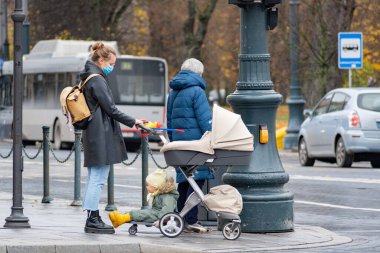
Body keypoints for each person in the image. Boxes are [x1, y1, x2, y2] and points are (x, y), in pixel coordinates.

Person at [81, 41, 144, 234]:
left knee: (94, 177)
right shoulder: (97, 80)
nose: (112, 68)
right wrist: (134, 121)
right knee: (98, 179)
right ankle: (92, 219)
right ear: (100, 60)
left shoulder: (88, 77)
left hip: (93, 133)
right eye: (111, 64)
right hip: (100, 134)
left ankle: (92, 217)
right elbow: (111, 109)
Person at [166, 58, 214, 233]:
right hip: (196, 143)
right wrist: (212, 136)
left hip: (179, 143)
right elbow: (205, 119)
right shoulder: (197, 91)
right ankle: (191, 219)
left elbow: (169, 119)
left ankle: (181, 218)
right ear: (198, 73)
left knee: (185, 181)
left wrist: (173, 141)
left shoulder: (173, 91)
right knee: (197, 180)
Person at [108, 169, 179, 227]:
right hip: (156, 213)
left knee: (142, 214)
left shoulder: (168, 196)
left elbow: (167, 210)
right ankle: (119, 220)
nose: (146, 187)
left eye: (148, 185)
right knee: (140, 212)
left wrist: (161, 220)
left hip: (159, 216)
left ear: (156, 186)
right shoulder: (160, 194)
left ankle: (121, 219)